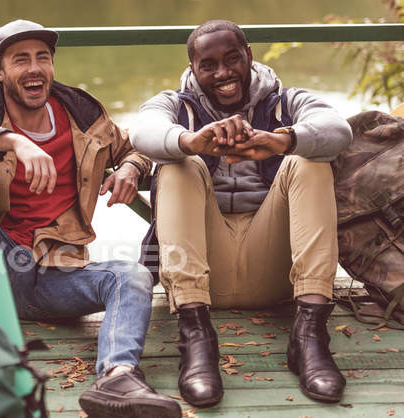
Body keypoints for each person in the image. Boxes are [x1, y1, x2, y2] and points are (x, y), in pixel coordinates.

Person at [0, 19, 181, 418]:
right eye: (20, 59)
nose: (34, 68)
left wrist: (130, 166)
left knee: (132, 276)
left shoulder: (82, 114)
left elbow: (135, 144)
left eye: (42, 57)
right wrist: (12, 141)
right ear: (0, 71)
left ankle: (118, 376)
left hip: (56, 275)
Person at [130, 20, 352, 406]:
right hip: (201, 277)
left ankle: (310, 336)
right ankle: (196, 339)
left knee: (310, 160)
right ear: (193, 69)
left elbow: (338, 129)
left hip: (276, 270)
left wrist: (284, 140)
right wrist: (188, 141)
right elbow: (142, 131)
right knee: (178, 164)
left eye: (232, 59)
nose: (223, 73)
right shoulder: (175, 104)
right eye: (208, 64)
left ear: (249, 56)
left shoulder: (287, 101)